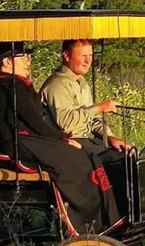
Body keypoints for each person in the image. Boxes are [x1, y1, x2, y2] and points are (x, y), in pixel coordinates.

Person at [0, 41, 123, 235]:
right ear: (6, 62)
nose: (27, 62)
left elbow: (34, 120)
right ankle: (81, 220)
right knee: (78, 159)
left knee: (83, 156)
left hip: (24, 138)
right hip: (16, 143)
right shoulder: (11, 84)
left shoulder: (8, 83)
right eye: (22, 58)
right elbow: (35, 122)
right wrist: (62, 138)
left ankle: (102, 216)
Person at [41, 38, 134, 217]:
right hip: (65, 142)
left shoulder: (81, 83)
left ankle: (127, 214)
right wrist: (99, 107)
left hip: (84, 140)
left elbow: (93, 121)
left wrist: (111, 136)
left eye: (90, 55)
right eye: (83, 55)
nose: (88, 60)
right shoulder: (57, 85)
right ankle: (111, 217)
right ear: (66, 56)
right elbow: (66, 122)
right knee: (113, 162)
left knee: (127, 156)